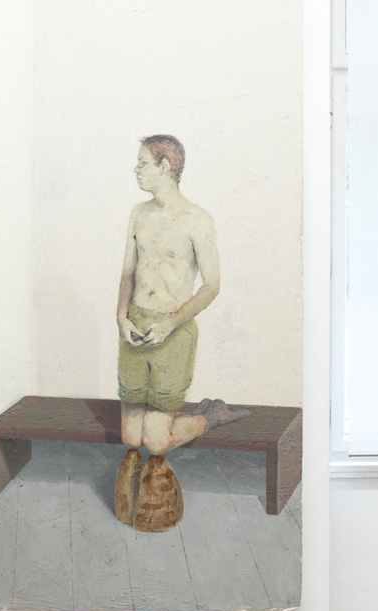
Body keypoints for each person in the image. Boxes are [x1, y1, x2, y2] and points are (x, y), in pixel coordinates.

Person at [114, 134, 249, 532]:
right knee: (130, 437)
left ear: (165, 167)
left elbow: (211, 285)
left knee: (155, 442)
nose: (136, 170)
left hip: (173, 333)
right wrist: (121, 318)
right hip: (135, 327)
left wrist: (170, 323)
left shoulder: (197, 219)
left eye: (143, 163)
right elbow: (127, 273)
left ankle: (211, 416)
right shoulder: (138, 214)